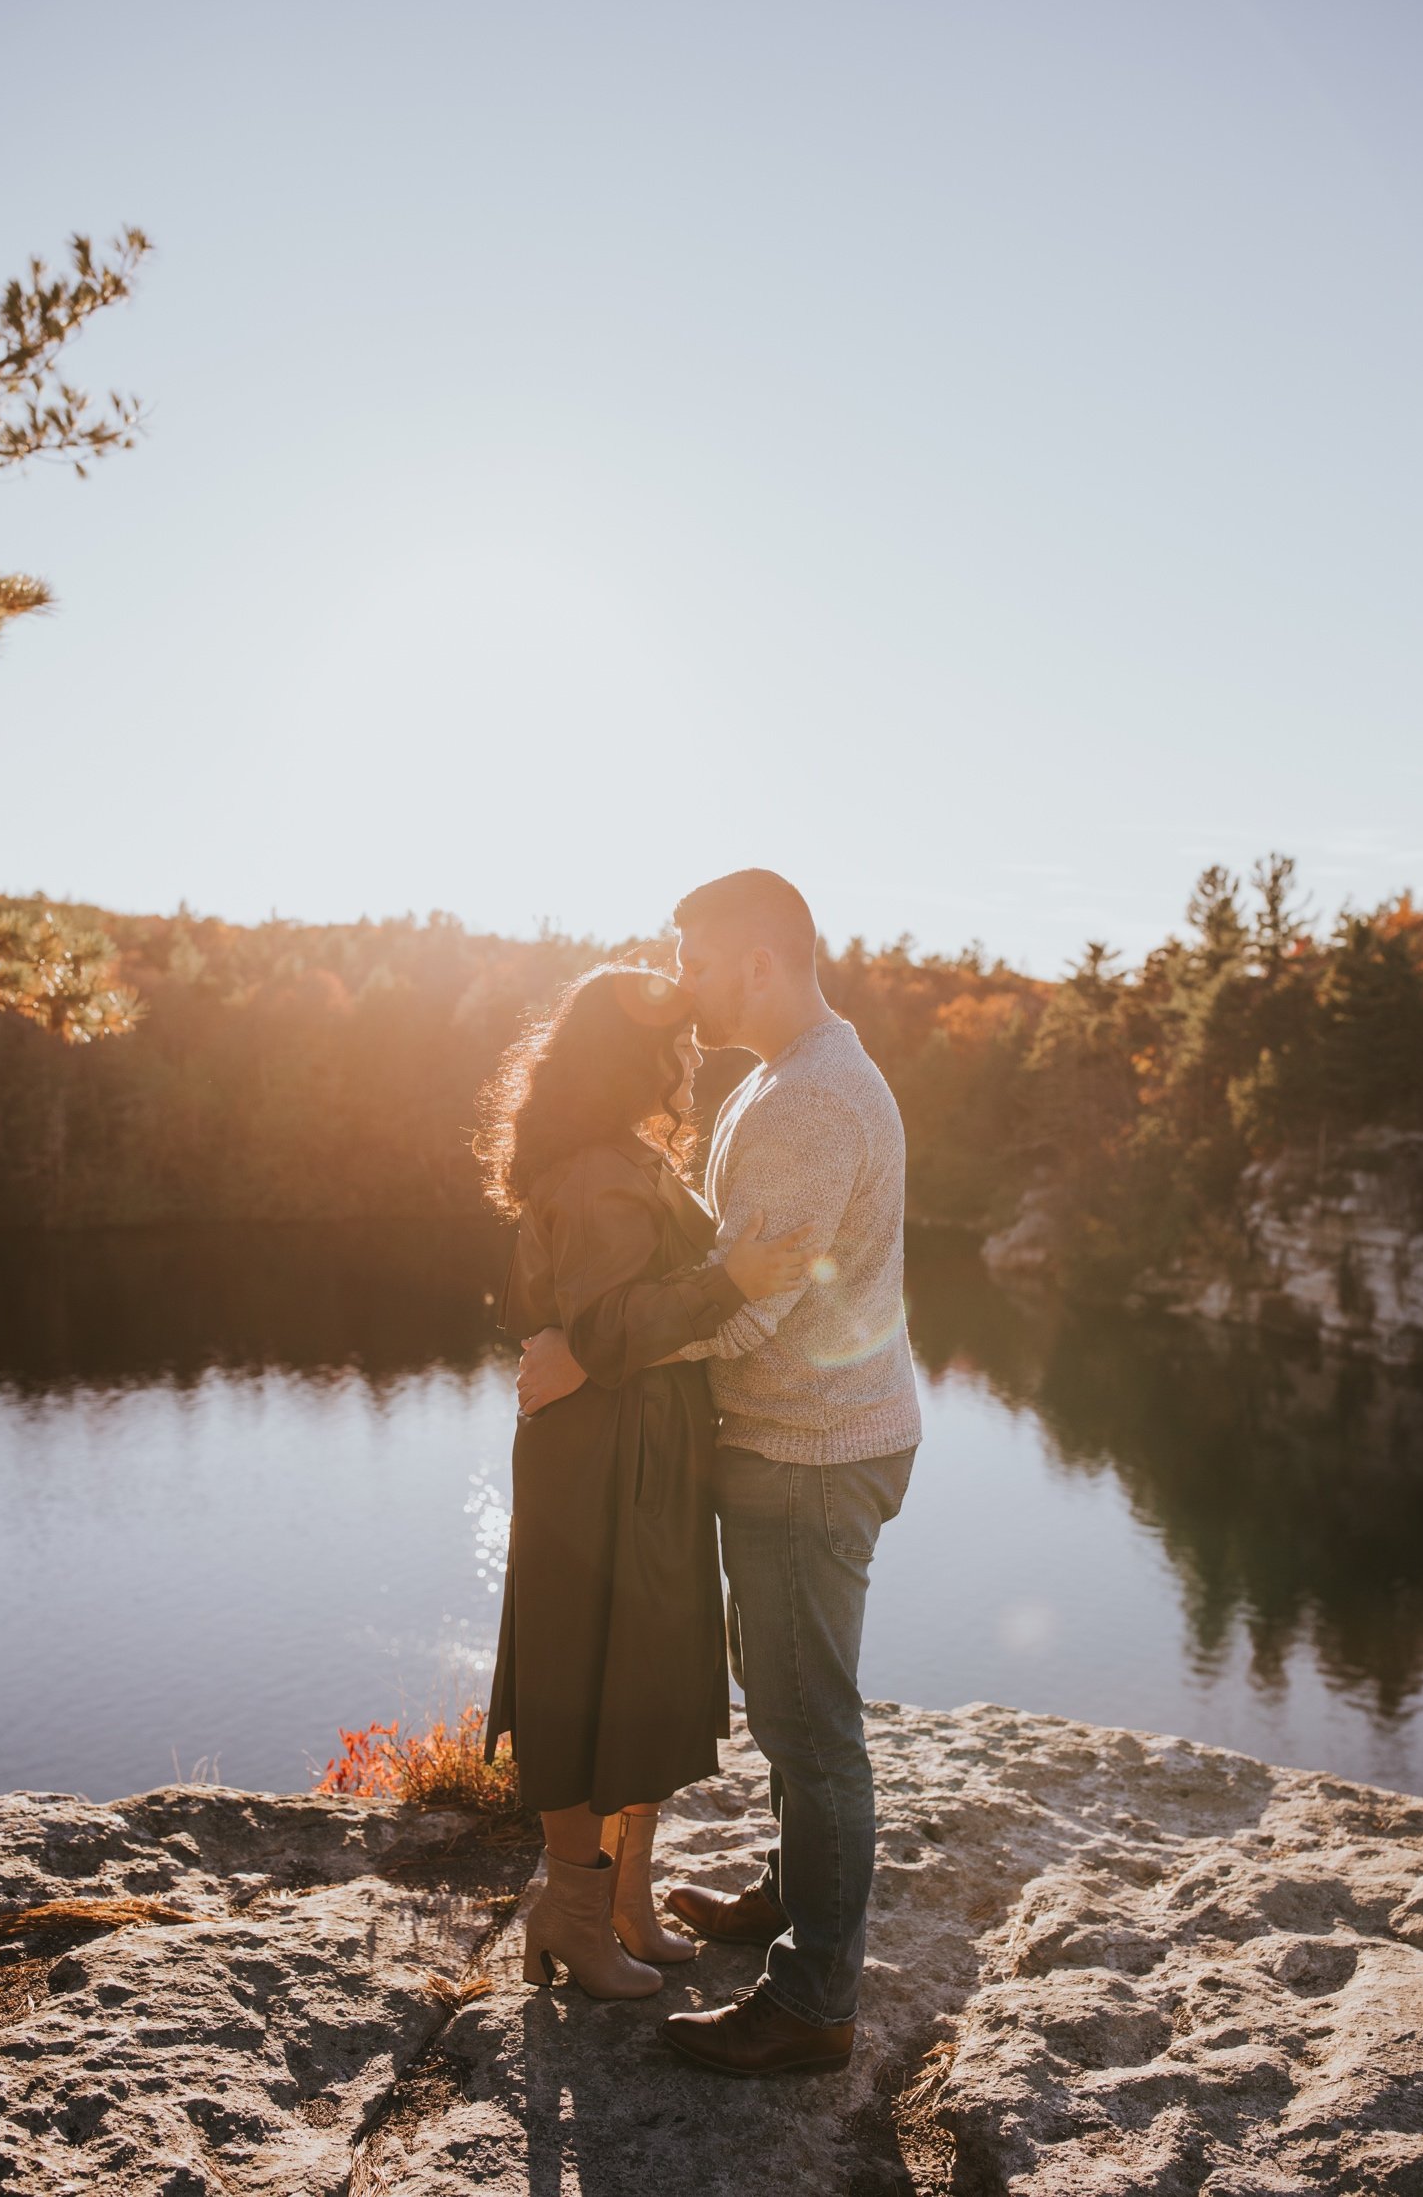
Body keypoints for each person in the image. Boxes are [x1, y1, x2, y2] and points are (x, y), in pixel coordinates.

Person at [517, 871, 922, 2074]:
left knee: (810, 1730)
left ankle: (812, 2008)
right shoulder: (791, 1079)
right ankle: (791, 1899)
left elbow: (748, 1319)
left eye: (693, 957)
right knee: (795, 1707)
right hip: (818, 1436)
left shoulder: (805, 1104)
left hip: (807, 1452)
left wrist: (588, 1353)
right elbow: (730, 1267)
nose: (681, 981)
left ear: (755, 960)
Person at [474, 963, 813, 2002]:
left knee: (642, 1680)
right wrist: (733, 1282)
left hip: (647, 1453)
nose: (692, 1063)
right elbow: (610, 1328)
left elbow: (601, 1325)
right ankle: (571, 1915)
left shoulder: (627, 1157)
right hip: (598, 1464)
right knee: (582, 1678)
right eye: (674, 1051)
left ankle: (624, 1903)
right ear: (629, 1059)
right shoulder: (593, 1173)